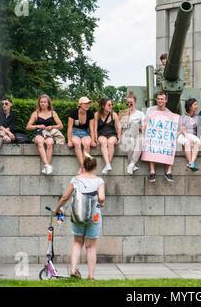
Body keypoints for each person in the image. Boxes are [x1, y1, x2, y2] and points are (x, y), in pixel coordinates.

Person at [54, 152, 105, 281]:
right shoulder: (99, 181)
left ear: (83, 166)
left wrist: (57, 208)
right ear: (95, 167)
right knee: (91, 246)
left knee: (77, 242)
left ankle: (73, 269)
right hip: (93, 216)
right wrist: (102, 203)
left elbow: (65, 197)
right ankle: (91, 276)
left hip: (77, 214)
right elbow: (102, 197)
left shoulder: (76, 180)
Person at [26, 94, 64, 175]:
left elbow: (61, 126)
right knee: (40, 142)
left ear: (48, 104)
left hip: (50, 134)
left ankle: (46, 167)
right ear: (39, 103)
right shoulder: (35, 113)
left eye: (44, 102)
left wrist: (52, 126)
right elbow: (28, 127)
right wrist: (37, 126)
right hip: (39, 133)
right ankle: (47, 165)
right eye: (41, 102)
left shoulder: (53, 113)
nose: (42, 103)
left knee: (49, 143)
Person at [145, 91, 174, 182]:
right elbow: (146, 123)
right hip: (153, 134)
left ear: (166, 100)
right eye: (158, 99)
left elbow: (172, 127)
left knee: (172, 143)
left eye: (162, 99)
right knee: (151, 142)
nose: (160, 101)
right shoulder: (150, 110)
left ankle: (169, 172)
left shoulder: (169, 113)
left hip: (163, 136)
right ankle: (152, 172)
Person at [68, 97, 96, 175]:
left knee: (87, 143)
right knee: (77, 143)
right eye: (85, 103)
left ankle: (82, 168)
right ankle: (83, 166)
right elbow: (69, 127)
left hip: (85, 132)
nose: (88, 105)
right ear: (80, 104)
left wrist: (93, 140)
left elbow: (92, 128)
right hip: (75, 132)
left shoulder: (90, 113)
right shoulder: (73, 112)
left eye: (88, 103)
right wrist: (69, 140)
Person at [118, 92, 145, 174]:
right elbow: (120, 127)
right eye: (127, 103)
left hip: (137, 134)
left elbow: (144, 126)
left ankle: (131, 164)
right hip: (126, 135)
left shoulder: (140, 114)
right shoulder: (123, 113)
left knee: (141, 141)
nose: (129, 105)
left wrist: (139, 127)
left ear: (135, 102)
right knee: (130, 140)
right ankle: (132, 164)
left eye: (131, 103)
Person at [95, 97, 121, 174]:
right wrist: (95, 138)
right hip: (101, 134)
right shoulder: (97, 114)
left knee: (110, 143)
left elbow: (119, 127)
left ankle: (107, 164)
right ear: (103, 106)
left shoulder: (114, 114)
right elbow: (95, 128)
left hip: (112, 134)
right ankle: (108, 164)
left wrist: (118, 138)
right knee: (103, 142)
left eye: (112, 104)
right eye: (109, 105)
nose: (111, 106)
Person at [0, 97, 17, 162]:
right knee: (2, 133)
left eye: (6, 103)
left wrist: (8, 132)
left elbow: (11, 126)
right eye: (2, 104)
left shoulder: (13, 115)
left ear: (11, 104)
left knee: (5, 136)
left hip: (8, 135)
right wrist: (7, 132)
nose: (4, 105)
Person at [179, 98, 201, 171]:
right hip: (184, 135)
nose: (197, 106)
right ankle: (191, 162)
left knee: (196, 142)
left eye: (197, 104)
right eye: (195, 105)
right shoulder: (183, 117)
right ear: (189, 107)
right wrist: (187, 137)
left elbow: (200, 128)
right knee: (187, 142)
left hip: (193, 136)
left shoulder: (197, 116)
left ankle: (191, 163)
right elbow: (183, 130)